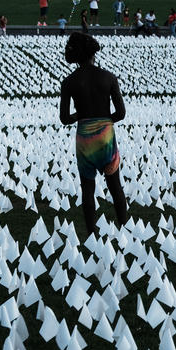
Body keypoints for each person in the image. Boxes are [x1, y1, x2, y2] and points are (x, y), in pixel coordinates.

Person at [60, 32, 127, 236]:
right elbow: (121, 113)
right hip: (106, 136)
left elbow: (64, 118)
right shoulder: (108, 77)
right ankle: (124, 225)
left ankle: (91, 232)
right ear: (93, 54)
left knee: (87, 187)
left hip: (85, 139)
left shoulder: (69, 81)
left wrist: (80, 116)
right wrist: (104, 121)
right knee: (114, 184)